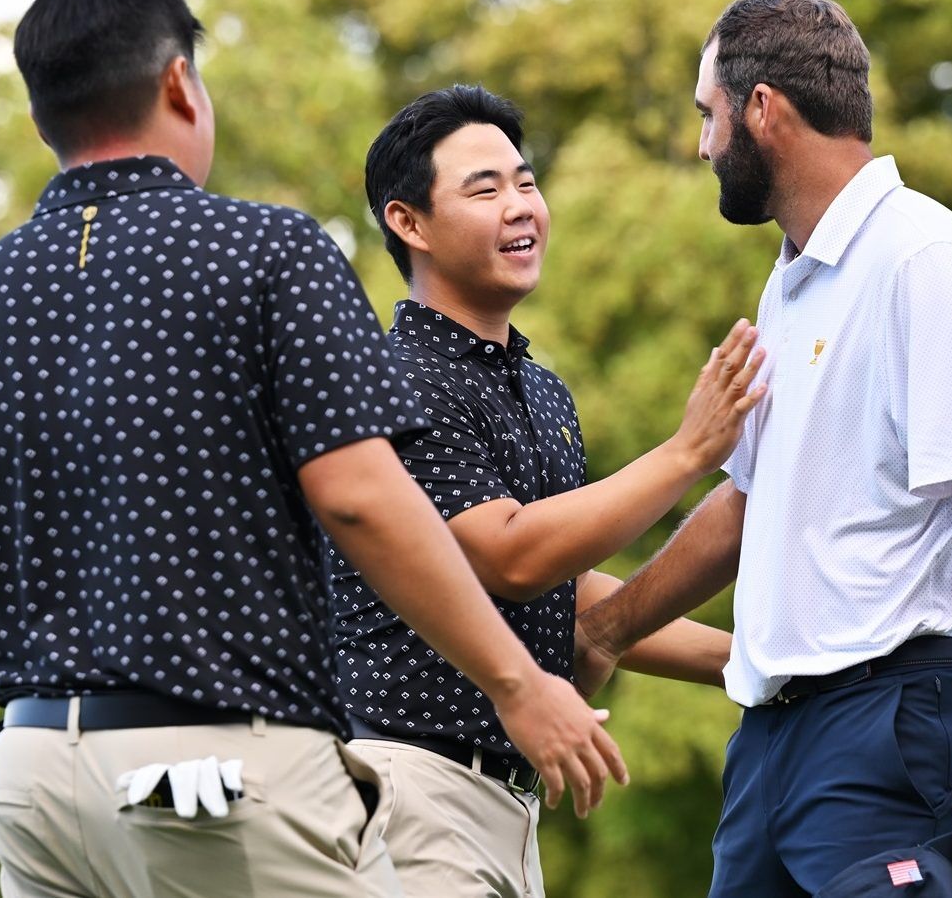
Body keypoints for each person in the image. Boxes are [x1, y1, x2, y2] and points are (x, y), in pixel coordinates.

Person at [0, 0, 625, 898]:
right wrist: (519, 685)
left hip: (32, 788)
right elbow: (359, 498)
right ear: (179, 85)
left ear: (43, 118)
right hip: (210, 777)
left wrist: (97, 615)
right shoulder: (267, 252)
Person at [572, 0, 952, 897]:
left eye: (707, 116)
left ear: (762, 110)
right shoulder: (791, 285)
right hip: (771, 745)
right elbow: (750, 505)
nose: (702, 145)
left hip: (890, 725)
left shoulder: (925, 260)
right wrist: (606, 629)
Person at [328, 84, 766, 898]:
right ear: (408, 223)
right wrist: (686, 454)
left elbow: (566, 596)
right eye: (484, 189)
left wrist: (765, 665)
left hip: (506, 804)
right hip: (406, 786)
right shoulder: (393, 378)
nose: (520, 207)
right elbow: (510, 555)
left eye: (525, 183)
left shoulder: (543, 391)